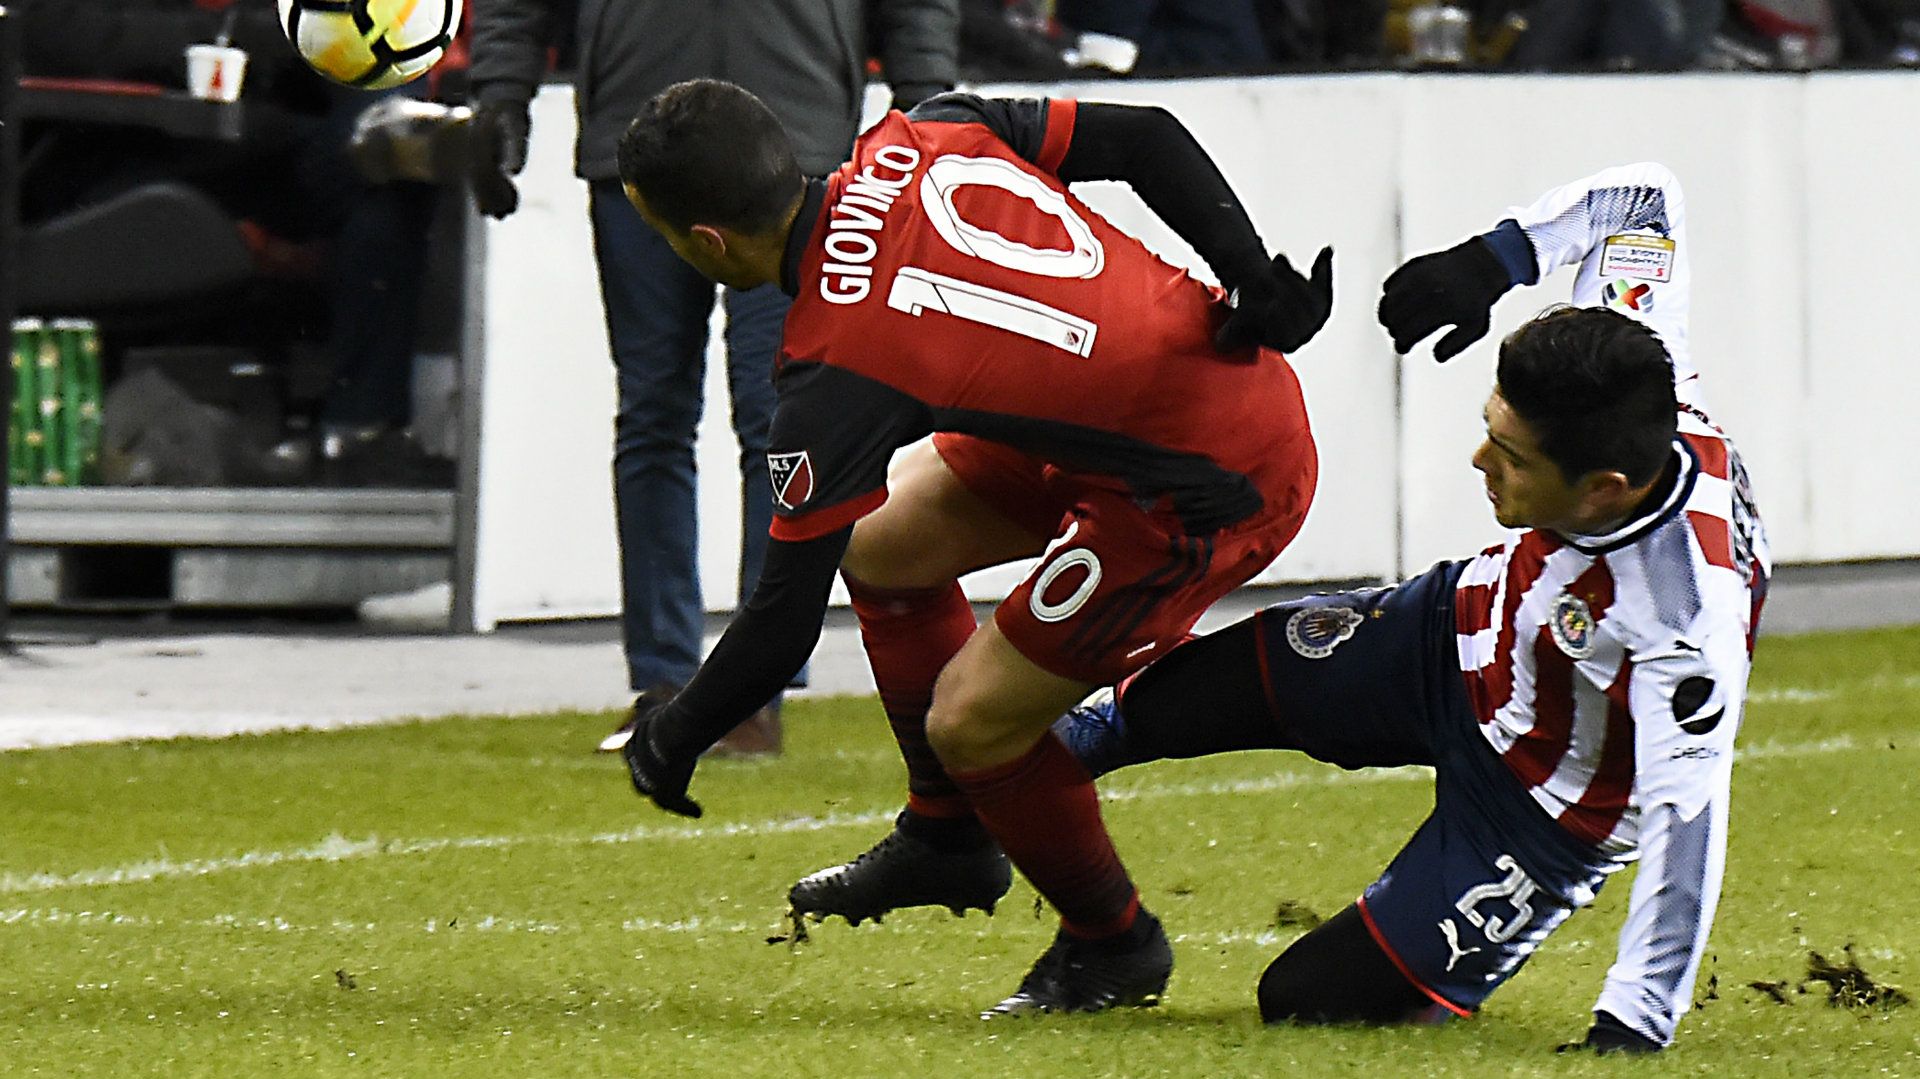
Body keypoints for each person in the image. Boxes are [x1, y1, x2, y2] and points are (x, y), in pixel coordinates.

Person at [615, 80, 1333, 1015]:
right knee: (881, 551)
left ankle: (1112, 943)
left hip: (1209, 480)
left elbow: (783, 622)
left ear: (706, 243)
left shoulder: (831, 370)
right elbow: (1149, 135)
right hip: (1133, 419)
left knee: (973, 720)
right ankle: (948, 835)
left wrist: (672, 736)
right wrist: (1246, 269)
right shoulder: (926, 125)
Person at [1054, 163, 1770, 1050]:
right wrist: (1495, 258)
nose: (1479, 459)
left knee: (1308, 1001)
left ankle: (1440, 971)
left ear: (1602, 490)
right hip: (1446, 635)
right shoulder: (1629, 351)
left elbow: (1686, 817)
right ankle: (967, 826)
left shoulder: (1684, 619)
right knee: (1152, 708)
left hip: (1538, 812)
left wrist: (1634, 1019)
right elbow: (1645, 199)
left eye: (1510, 455)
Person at [466, 1, 960, 757]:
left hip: (785, 142)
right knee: (672, 414)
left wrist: (925, 103)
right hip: (674, 134)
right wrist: (501, 97)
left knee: (760, 418)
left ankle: (743, 689)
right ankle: (667, 686)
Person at [17, 0, 445, 485]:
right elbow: (53, 30)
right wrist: (232, 34)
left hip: (243, 128)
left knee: (387, 154)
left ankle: (361, 431)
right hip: (103, 138)